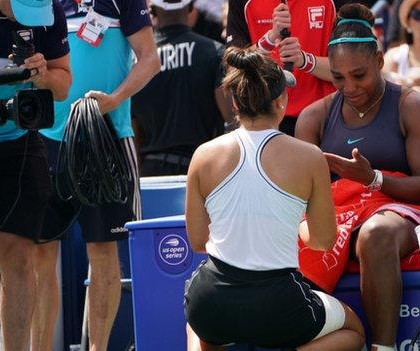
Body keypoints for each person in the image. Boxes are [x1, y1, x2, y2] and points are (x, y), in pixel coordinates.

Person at [183, 46, 365, 351]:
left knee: (197, 319)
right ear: (281, 102)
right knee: (354, 331)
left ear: (235, 101)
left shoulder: (203, 155)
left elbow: (199, 242)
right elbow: (321, 241)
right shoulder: (309, 157)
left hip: (212, 301)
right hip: (279, 305)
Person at [296, 5, 420, 350]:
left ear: (379, 61)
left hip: (405, 213)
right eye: (337, 77)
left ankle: (383, 346)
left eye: (358, 75)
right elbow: (299, 195)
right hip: (335, 216)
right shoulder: (313, 117)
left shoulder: (413, 106)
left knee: (375, 234)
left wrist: (373, 179)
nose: (349, 87)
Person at [32, 0, 160, 348]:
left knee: (103, 253)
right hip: (45, 138)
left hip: (107, 138)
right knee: (39, 254)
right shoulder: (40, 4)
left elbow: (150, 59)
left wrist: (114, 100)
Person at [0, 0, 70, 348]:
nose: (26, 20)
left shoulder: (49, 15)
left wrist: (42, 75)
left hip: (19, 139)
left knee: (19, 258)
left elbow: (63, 86)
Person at [132, 0, 233, 177]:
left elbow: (132, 129)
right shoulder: (214, 53)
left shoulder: (137, 65)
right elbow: (232, 118)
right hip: (203, 169)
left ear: (152, 12)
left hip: (151, 171)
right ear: (191, 10)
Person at [226, 0, 350, 135]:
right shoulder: (242, 2)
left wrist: (304, 60)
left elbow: (349, 70)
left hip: (323, 118)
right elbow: (233, 68)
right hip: (264, 120)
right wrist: (269, 39)